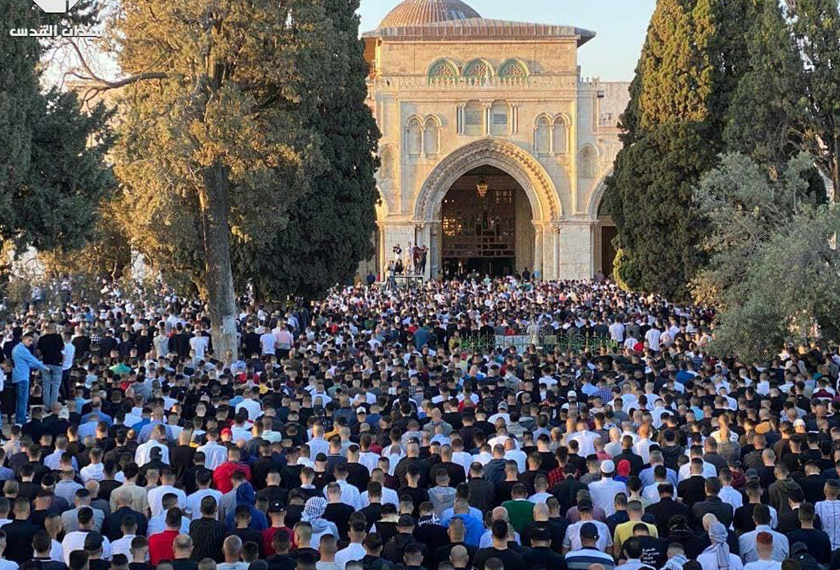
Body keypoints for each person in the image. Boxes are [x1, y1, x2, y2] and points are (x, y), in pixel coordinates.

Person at [11, 333, 47, 425]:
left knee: (20, 400)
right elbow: (32, 360)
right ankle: (21, 420)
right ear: (24, 339)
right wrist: (44, 367)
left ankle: (19, 418)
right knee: (23, 400)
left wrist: (40, 364)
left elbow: (28, 363)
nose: (31, 343)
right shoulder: (22, 349)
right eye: (29, 340)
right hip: (22, 377)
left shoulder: (16, 348)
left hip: (18, 376)